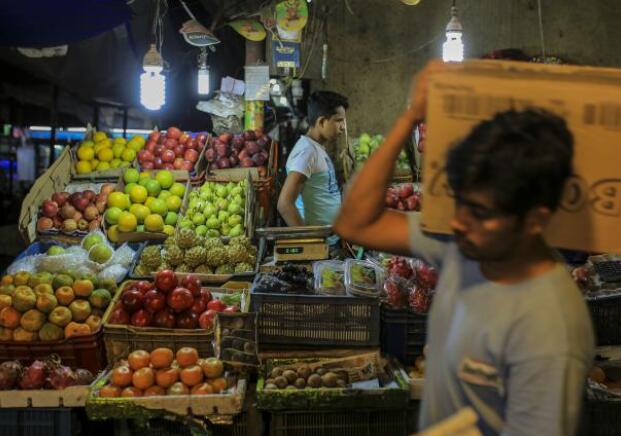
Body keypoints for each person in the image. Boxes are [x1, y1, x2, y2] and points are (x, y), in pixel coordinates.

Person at [333, 62, 595, 435]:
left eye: (481, 212)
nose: (458, 222)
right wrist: (411, 117)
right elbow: (354, 222)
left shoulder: (548, 327)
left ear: (536, 220)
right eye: (460, 204)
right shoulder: (464, 246)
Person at [277, 91, 347, 229]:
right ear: (321, 121)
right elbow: (285, 204)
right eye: (338, 121)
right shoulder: (306, 152)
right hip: (321, 244)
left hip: (332, 239)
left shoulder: (316, 148)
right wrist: (309, 241)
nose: (343, 127)